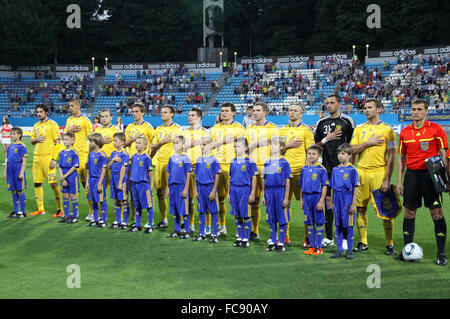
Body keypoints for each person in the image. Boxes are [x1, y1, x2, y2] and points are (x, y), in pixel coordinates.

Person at [397, 99, 448, 266]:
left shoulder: (436, 129)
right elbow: (402, 158)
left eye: (419, 109)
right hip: (411, 176)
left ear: (426, 111)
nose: (416, 112)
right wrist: (399, 181)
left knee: (436, 213)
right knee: (409, 213)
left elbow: (443, 154)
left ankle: (441, 253)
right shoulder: (404, 132)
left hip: (430, 176)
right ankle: (406, 250)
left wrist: (446, 178)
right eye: (413, 109)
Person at [350, 99, 397, 255]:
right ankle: (363, 242)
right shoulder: (358, 129)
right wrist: (368, 143)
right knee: (360, 208)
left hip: (379, 173)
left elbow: (392, 156)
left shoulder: (387, 130)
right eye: (364, 107)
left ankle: (389, 244)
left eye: (369, 107)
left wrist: (387, 179)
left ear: (379, 110)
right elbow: (352, 149)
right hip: (361, 172)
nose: (366, 110)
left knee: (386, 210)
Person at [314, 94, 355, 248]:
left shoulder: (347, 121)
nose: (329, 105)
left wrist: (351, 167)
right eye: (327, 103)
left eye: (332, 103)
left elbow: (352, 145)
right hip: (326, 168)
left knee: (343, 202)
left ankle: (344, 237)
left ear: (339, 104)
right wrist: (327, 139)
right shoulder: (321, 123)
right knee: (328, 201)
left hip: (342, 170)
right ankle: (329, 236)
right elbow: (316, 145)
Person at [280, 104, 315, 247]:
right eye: (290, 111)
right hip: (285, 173)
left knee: (306, 205)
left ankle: (308, 237)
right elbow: (278, 151)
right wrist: (286, 145)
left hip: (301, 172)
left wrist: (307, 170)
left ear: (301, 114)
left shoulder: (306, 131)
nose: (292, 113)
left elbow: (311, 152)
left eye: (295, 111)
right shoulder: (283, 131)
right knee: (284, 204)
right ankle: (285, 236)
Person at [245, 102, 279, 241]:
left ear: (265, 112)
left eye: (258, 110)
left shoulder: (274, 129)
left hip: (268, 168)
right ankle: (255, 231)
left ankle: (275, 234)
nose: (255, 113)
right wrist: (257, 144)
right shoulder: (248, 129)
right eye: (253, 110)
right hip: (252, 167)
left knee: (270, 201)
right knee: (254, 200)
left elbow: (279, 148)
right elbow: (244, 148)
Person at [210, 103, 245, 236]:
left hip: (234, 166)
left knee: (237, 198)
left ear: (233, 113)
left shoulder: (239, 128)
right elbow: (208, 146)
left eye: (226, 111)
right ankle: (222, 225)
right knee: (220, 198)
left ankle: (240, 228)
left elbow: (244, 146)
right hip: (218, 165)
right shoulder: (215, 128)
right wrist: (224, 141)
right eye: (222, 111)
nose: (223, 113)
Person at [150, 105, 182, 230]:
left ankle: (179, 221)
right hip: (160, 163)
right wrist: (161, 142)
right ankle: (164, 219)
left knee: (174, 193)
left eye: (165, 112)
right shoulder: (158, 129)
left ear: (172, 114)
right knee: (160, 192)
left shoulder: (178, 129)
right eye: (161, 112)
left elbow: (182, 147)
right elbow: (154, 147)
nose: (162, 114)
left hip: (173, 164)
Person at [30, 104, 64, 217]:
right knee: (37, 183)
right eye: (37, 112)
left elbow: (58, 143)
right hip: (37, 159)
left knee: (53, 184)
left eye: (40, 111)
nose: (38, 113)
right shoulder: (36, 125)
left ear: (46, 113)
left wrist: (54, 159)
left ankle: (60, 209)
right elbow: (32, 141)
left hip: (48, 159)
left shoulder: (53, 125)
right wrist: (36, 139)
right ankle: (40, 209)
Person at [63, 98, 93, 221]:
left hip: (81, 156)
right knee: (69, 185)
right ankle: (72, 211)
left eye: (72, 105)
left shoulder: (85, 121)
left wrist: (89, 157)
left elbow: (92, 139)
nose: (69, 107)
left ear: (78, 106)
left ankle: (92, 211)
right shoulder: (69, 120)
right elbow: (65, 136)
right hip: (69, 157)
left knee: (85, 184)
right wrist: (70, 130)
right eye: (69, 105)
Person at [124, 103, 154, 221]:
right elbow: (124, 144)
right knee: (132, 191)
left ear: (143, 113)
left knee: (144, 190)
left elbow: (152, 146)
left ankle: (148, 217)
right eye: (133, 111)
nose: (134, 114)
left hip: (142, 164)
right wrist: (133, 139)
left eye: (137, 111)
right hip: (131, 162)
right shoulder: (129, 127)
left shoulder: (148, 127)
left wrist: (147, 159)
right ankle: (134, 216)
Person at [329, 143, 359, 259]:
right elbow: (332, 187)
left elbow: (356, 187)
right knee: (338, 225)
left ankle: (350, 250)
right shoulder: (335, 169)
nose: (340, 156)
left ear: (350, 155)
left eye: (343, 154)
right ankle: (339, 249)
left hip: (347, 198)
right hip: (337, 199)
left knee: (349, 225)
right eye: (338, 154)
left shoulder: (352, 170)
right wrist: (331, 202)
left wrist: (353, 204)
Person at [262, 136, 292, 253]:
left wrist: (286, 197)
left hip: (280, 191)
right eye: (271, 144)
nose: (272, 146)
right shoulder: (267, 162)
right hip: (269, 192)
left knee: (282, 218)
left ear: (281, 147)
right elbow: (264, 180)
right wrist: (264, 195)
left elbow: (287, 181)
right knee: (271, 218)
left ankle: (281, 242)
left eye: (275, 144)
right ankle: (273, 241)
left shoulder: (284, 162)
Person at [183, 108, 209, 234]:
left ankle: (207, 226)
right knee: (187, 197)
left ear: (199, 117)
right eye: (188, 115)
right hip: (186, 168)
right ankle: (190, 223)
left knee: (202, 197)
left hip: (201, 169)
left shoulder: (205, 133)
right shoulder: (183, 133)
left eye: (192, 115)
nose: (189, 117)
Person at [228, 137, 258, 247]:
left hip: (245, 190)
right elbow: (230, 178)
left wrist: (253, 193)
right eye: (234, 147)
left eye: (238, 146)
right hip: (234, 190)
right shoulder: (233, 161)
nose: (236, 149)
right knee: (237, 215)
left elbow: (254, 178)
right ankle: (240, 237)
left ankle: (246, 238)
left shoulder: (250, 161)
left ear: (245, 148)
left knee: (246, 215)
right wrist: (228, 193)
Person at [300, 145, 329, 256]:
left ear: (319, 156)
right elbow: (302, 185)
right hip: (306, 198)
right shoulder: (304, 169)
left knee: (319, 222)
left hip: (317, 198)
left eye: (313, 154)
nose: (311, 156)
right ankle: (312, 246)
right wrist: (302, 199)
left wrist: (321, 200)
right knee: (309, 223)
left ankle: (319, 247)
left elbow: (325, 186)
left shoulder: (322, 169)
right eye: (309, 153)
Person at [192, 136, 221, 242]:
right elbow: (195, 176)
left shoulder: (214, 160)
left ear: (210, 145)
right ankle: (201, 233)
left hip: (210, 187)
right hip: (200, 188)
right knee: (201, 211)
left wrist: (213, 190)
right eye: (201, 144)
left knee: (213, 211)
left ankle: (214, 234)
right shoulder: (199, 160)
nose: (202, 146)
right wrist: (195, 190)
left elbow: (217, 176)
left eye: (204, 144)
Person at [166, 135, 192, 239]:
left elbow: (188, 174)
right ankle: (177, 230)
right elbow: (169, 173)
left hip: (181, 186)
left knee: (184, 210)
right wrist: (168, 188)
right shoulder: (171, 159)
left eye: (177, 143)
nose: (175, 145)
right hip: (172, 187)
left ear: (182, 145)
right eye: (174, 143)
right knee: (174, 209)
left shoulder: (185, 158)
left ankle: (187, 231)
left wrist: (186, 189)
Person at [128, 136, 154, 233]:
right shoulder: (134, 157)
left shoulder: (147, 157)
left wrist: (151, 186)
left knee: (148, 205)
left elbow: (150, 173)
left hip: (143, 185)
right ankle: (138, 225)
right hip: (134, 185)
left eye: (139, 143)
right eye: (136, 143)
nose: (137, 145)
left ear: (145, 145)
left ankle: (150, 225)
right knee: (137, 205)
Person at [107, 132, 130, 230]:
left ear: (122, 142)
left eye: (115, 140)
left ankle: (125, 221)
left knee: (124, 199)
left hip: (121, 178)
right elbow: (108, 166)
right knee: (116, 199)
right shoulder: (113, 153)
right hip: (113, 177)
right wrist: (113, 160)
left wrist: (120, 182)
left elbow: (123, 169)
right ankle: (118, 220)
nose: (113, 142)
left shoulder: (125, 154)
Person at [4, 127, 27, 218]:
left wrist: (21, 173)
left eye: (14, 134)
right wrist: (5, 171)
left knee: (20, 190)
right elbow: (8, 160)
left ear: (19, 135)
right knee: (13, 190)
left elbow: (24, 161)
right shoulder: (10, 147)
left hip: (18, 168)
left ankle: (23, 212)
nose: (12, 135)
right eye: (11, 133)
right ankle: (16, 211)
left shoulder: (22, 146)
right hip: (10, 169)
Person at [86, 133, 108, 227]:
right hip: (91, 180)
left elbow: (104, 170)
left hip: (99, 180)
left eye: (91, 141)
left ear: (96, 142)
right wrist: (87, 181)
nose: (89, 143)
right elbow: (88, 169)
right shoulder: (90, 154)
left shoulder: (102, 155)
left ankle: (103, 220)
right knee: (93, 200)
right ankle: (95, 219)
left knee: (101, 200)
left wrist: (100, 183)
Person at [57, 132, 80, 224]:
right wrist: (62, 177)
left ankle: (75, 216)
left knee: (73, 196)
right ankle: (66, 215)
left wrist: (65, 177)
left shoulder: (74, 152)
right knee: (65, 195)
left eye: (67, 140)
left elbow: (75, 166)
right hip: (64, 176)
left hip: (72, 176)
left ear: (72, 141)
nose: (65, 141)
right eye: (64, 140)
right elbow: (60, 166)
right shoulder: (61, 152)